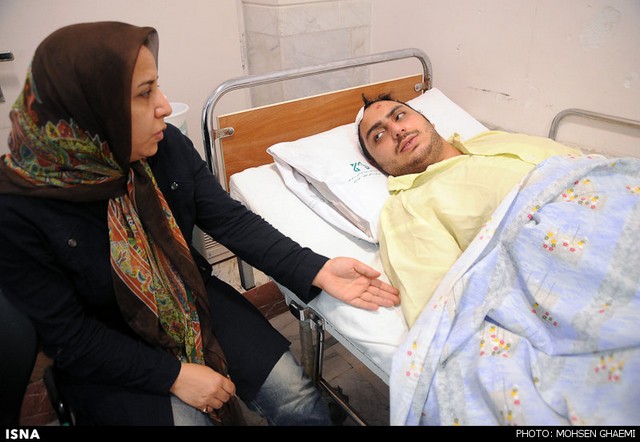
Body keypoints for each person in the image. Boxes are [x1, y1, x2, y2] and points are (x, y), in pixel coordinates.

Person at [0, 22, 399, 426]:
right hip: (105, 342)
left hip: (187, 295)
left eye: (157, 86)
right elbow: (70, 336)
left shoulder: (165, 147)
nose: (164, 106)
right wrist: (172, 376)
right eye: (144, 93)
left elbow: (231, 221)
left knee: (295, 396)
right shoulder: (18, 210)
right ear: (90, 109)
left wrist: (315, 268)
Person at [356, 93, 580, 327]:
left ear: (428, 120)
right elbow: (442, 313)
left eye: (400, 116)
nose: (397, 131)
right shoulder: (406, 208)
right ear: (375, 164)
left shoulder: (490, 139)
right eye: (378, 135)